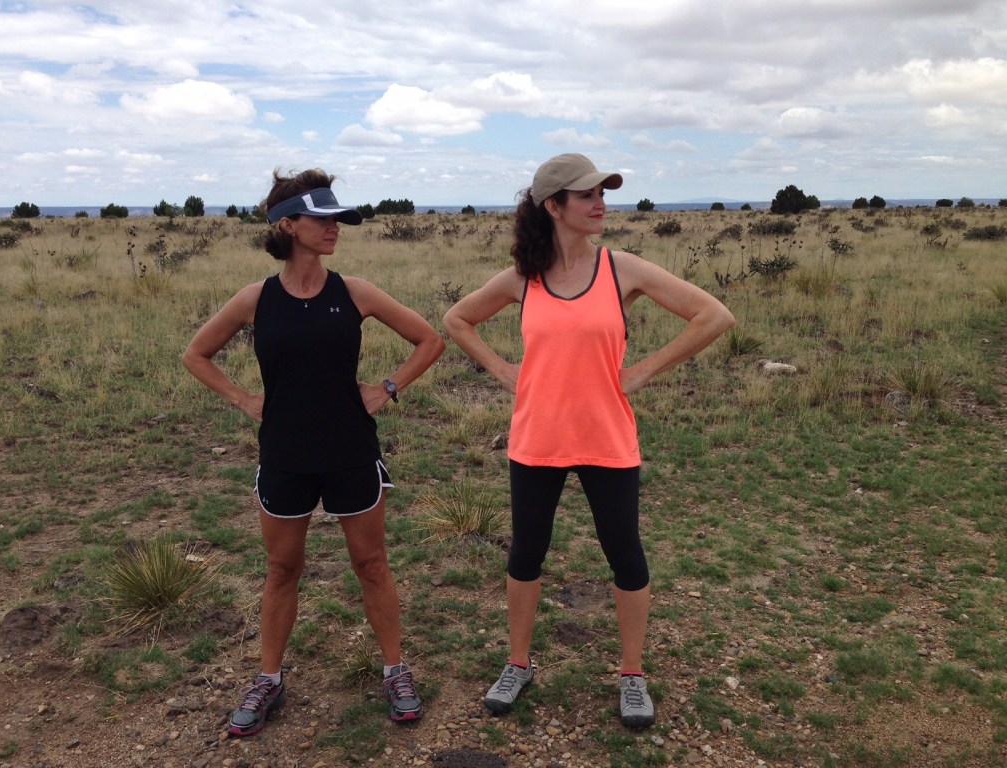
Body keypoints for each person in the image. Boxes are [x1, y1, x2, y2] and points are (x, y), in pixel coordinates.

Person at [442, 153, 735, 729]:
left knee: (625, 556)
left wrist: (643, 371)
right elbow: (456, 320)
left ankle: (631, 674)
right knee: (526, 554)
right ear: (554, 206)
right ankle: (518, 664)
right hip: (537, 439)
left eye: (603, 192)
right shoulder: (522, 278)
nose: (601, 202)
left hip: (606, 438)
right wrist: (505, 371)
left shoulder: (622, 269)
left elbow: (713, 315)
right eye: (586, 195)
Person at [182, 169, 445, 736]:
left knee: (372, 565)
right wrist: (244, 399)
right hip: (284, 454)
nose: (334, 229)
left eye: (337, 220)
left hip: (351, 451)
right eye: (322, 220)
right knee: (282, 570)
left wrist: (388, 387)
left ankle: (396, 671)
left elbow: (430, 339)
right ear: (287, 225)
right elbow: (196, 354)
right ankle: (268, 679)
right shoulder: (256, 299)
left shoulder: (355, 292)